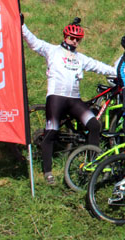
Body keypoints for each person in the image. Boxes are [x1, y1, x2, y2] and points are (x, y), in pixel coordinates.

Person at [21, 16, 116, 185]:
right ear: (65, 37)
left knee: (94, 125)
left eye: (78, 40)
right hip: (56, 97)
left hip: (74, 99)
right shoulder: (52, 50)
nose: (74, 42)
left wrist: (120, 73)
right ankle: (48, 172)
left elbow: (98, 66)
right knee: (51, 133)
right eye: (72, 38)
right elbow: (33, 42)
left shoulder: (80, 58)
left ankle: (91, 163)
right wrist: (22, 25)